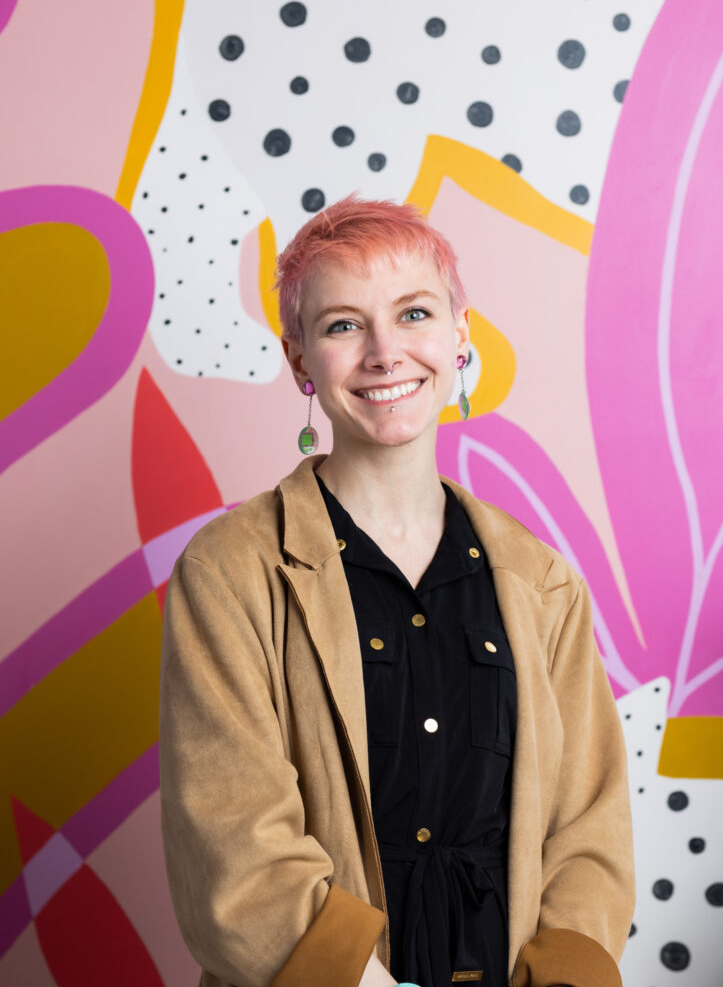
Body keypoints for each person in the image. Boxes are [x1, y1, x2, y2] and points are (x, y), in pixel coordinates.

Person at [159, 196, 635, 987]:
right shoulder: (230, 572)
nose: (384, 352)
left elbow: (590, 832)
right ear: (300, 359)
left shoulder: (543, 583)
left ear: (458, 336)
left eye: (413, 313)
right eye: (343, 325)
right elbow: (231, 840)